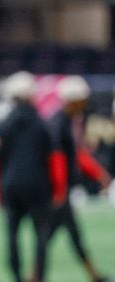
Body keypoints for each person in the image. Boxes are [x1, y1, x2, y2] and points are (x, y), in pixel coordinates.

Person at [0, 71, 54, 282]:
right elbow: (49, 156)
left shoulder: (4, 124)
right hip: (37, 184)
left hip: (10, 184)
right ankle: (38, 277)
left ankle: (16, 277)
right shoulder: (41, 122)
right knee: (41, 234)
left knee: (12, 234)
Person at [45, 75, 112, 282]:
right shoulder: (58, 123)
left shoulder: (70, 121)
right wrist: (60, 189)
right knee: (50, 236)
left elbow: (77, 154)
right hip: (58, 191)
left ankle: (93, 275)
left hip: (62, 191)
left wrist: (98, 172)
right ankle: (34, 275)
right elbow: (56, 158)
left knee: (61, 235)